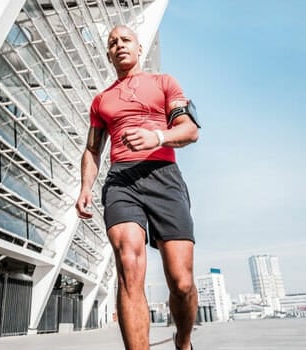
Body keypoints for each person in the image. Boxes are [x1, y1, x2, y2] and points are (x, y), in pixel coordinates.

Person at [75, 25, 200, 350]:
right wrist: (85, 186)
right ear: (108, 54)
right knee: (129, 267)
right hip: (121, 182)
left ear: (139, 47)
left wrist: (156, 136)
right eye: (112, 42)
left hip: (164, 176)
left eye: (125, 40)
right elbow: (92, 149)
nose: (119, 45)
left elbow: (189, 131)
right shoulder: (101, 101)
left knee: (182, 282)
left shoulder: (164, 83)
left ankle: (183, 341)